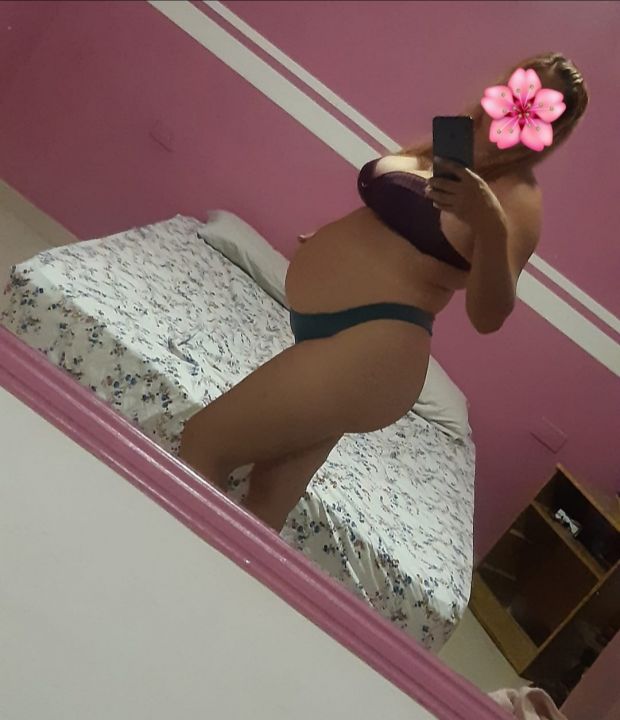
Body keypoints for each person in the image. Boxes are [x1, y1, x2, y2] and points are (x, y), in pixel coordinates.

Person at [179, 52, 588, 531]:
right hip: (333, 335)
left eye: (542, 104)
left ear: (554, 127)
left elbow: (489, 316)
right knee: (268, 497)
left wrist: (490, 226)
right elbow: (391, 219)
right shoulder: (453, 142)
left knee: (206, 441)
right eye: (523, 86)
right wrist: (332, 242)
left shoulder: (519, 198)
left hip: (375, 348)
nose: (523, 104)